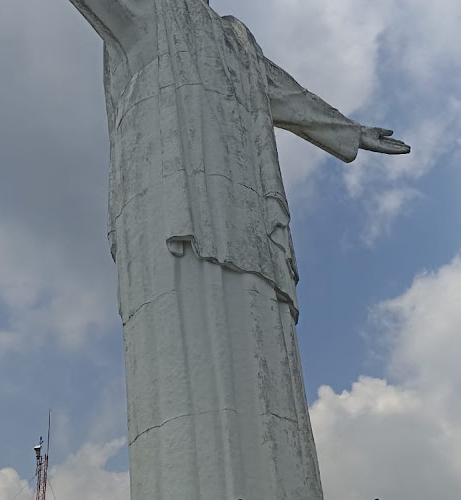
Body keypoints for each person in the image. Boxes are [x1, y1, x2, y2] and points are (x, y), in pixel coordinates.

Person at [68, 1, 410, 498]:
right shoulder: (151, 11)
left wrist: (350, 131)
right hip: (172, 209)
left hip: (246, 218)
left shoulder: (235, 39)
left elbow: (286, 95)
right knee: (188, 353)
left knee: (263, 352)